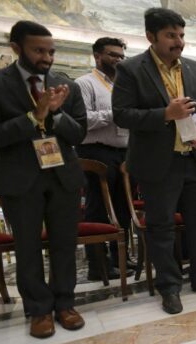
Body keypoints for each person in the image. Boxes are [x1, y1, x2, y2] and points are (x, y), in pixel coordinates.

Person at [112, 8, 196, 315]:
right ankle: (169, 287)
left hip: (195, 159)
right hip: (158, 162)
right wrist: (165, 114)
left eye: (181, 35)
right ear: (151, 37)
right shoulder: (131, 69)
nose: (178, 42)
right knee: (162, 227)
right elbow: (122, 115)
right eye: (170, 35)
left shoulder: (193, 69)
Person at [0, 20, 87, 338]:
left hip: (63, 175)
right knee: (28, 247)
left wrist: (57, 115)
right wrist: (35, 117)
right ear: (17, 48)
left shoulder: (65, 84)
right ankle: (38, 309)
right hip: (20, 178)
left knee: (65, 244)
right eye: (39, 50)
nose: (47, 57)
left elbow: (80, 132)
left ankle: (65, 304)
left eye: (51, 51)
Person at [75, 37, 135, 281]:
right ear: (97, 56)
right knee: (98, 207)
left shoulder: (124, 86)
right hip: (95, 151)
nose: (118, 60)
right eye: (113, 55)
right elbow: (83, 120)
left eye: (121, 56)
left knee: (123, 207)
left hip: (123, 152)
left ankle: (119, 257)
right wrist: (116, 114)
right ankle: (98, 264)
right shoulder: (84, 84)